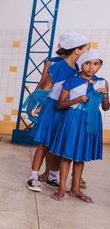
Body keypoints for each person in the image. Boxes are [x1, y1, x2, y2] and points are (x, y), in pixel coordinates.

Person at [26, 31, 89, 192]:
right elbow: (46, 89)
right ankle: (33, 178)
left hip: (64, 109)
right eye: (85, 49)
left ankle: (53, 177)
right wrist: (37, 107)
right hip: (52, 109)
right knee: (45, 144)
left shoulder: (75, 68)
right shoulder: (58, 66)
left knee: (57, 143)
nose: (86, 52)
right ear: (77, 50)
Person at [49, 50, 109, 202]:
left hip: (91, 121)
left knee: (80, 155)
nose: (91, 67)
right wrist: (75, 100)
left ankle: (75, 189)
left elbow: (106, 107)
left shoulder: (102, 82)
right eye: (87, 63)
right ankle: (61, 188)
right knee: (67, 154)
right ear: (81, 64)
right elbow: (60, 104)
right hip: (73, 119)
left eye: (96, 64)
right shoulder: (71, 81)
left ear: (100, 65)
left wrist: (106, 95)